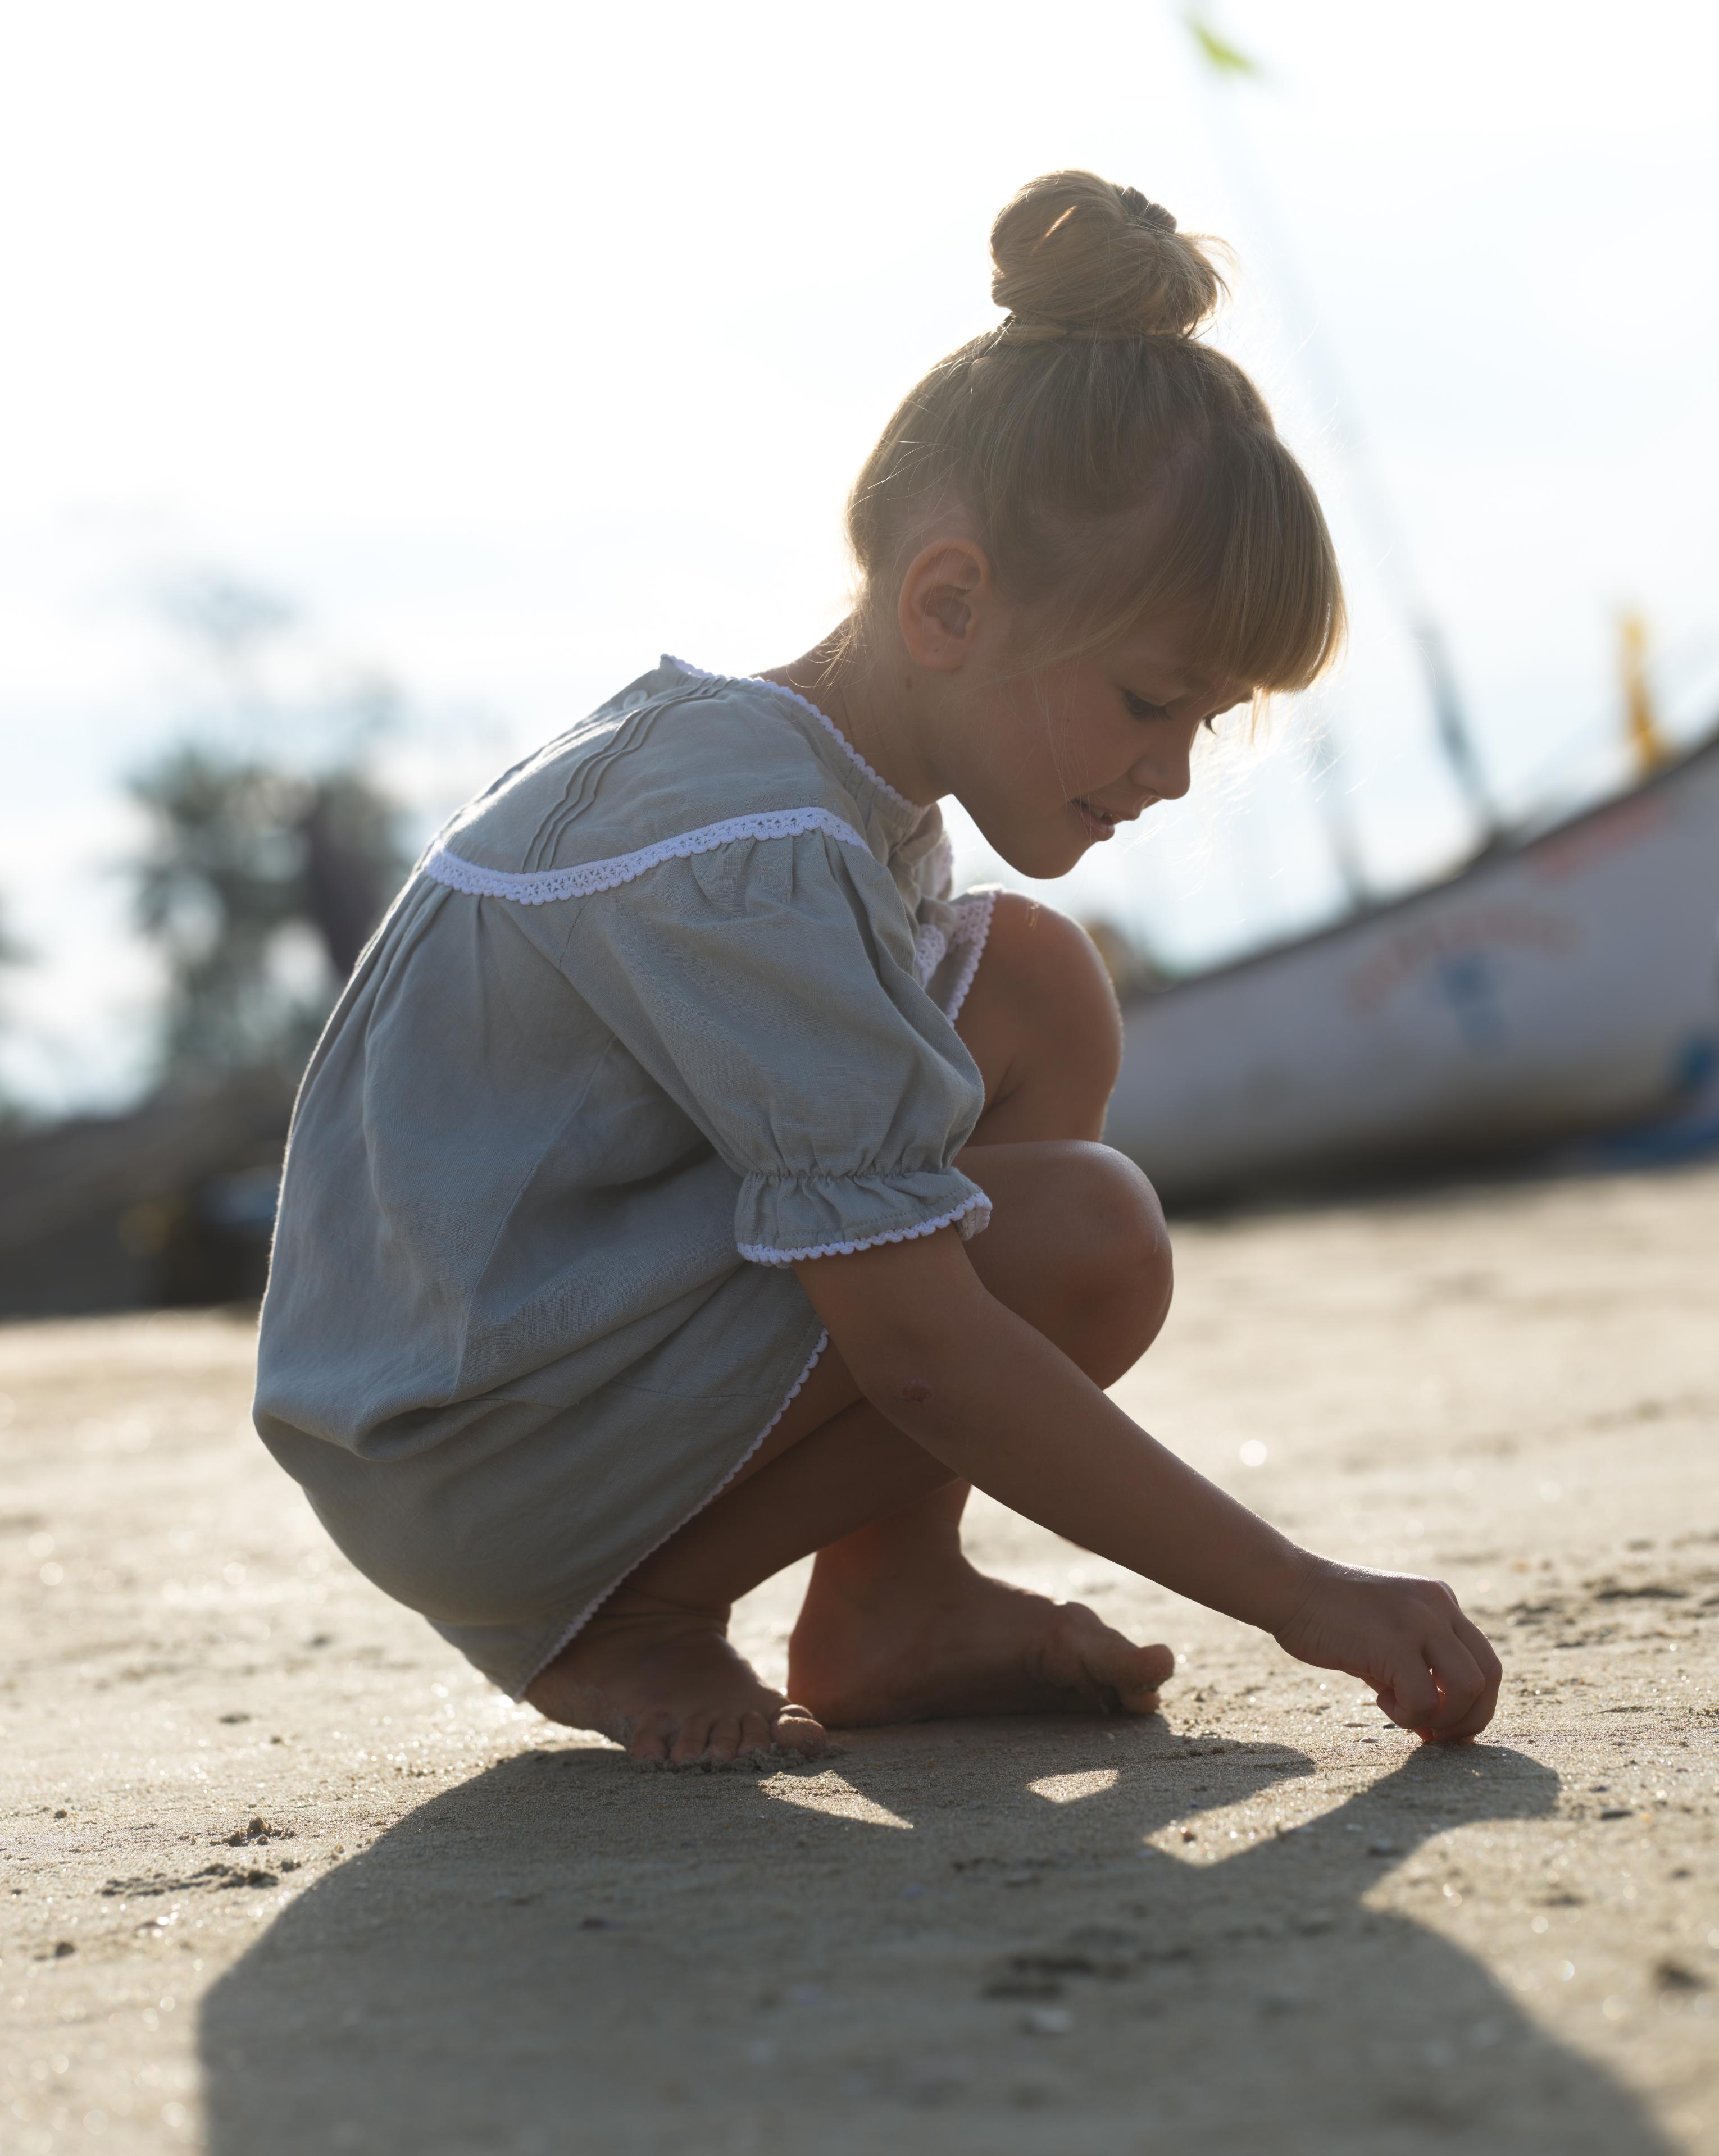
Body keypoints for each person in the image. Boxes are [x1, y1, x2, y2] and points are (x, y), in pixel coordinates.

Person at [254, 171, 1502, 1766]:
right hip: (466, 1449)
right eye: (1149, 702)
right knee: (1089, 1241)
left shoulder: (809, 793)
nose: (1175, 770)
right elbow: (917, 1348)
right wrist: (1301, 1597)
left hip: (520, 1373)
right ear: (950, 603)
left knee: (1033, 981)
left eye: (1206, 723)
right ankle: (632, 1615)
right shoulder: (741, 850)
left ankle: (894, 1600)